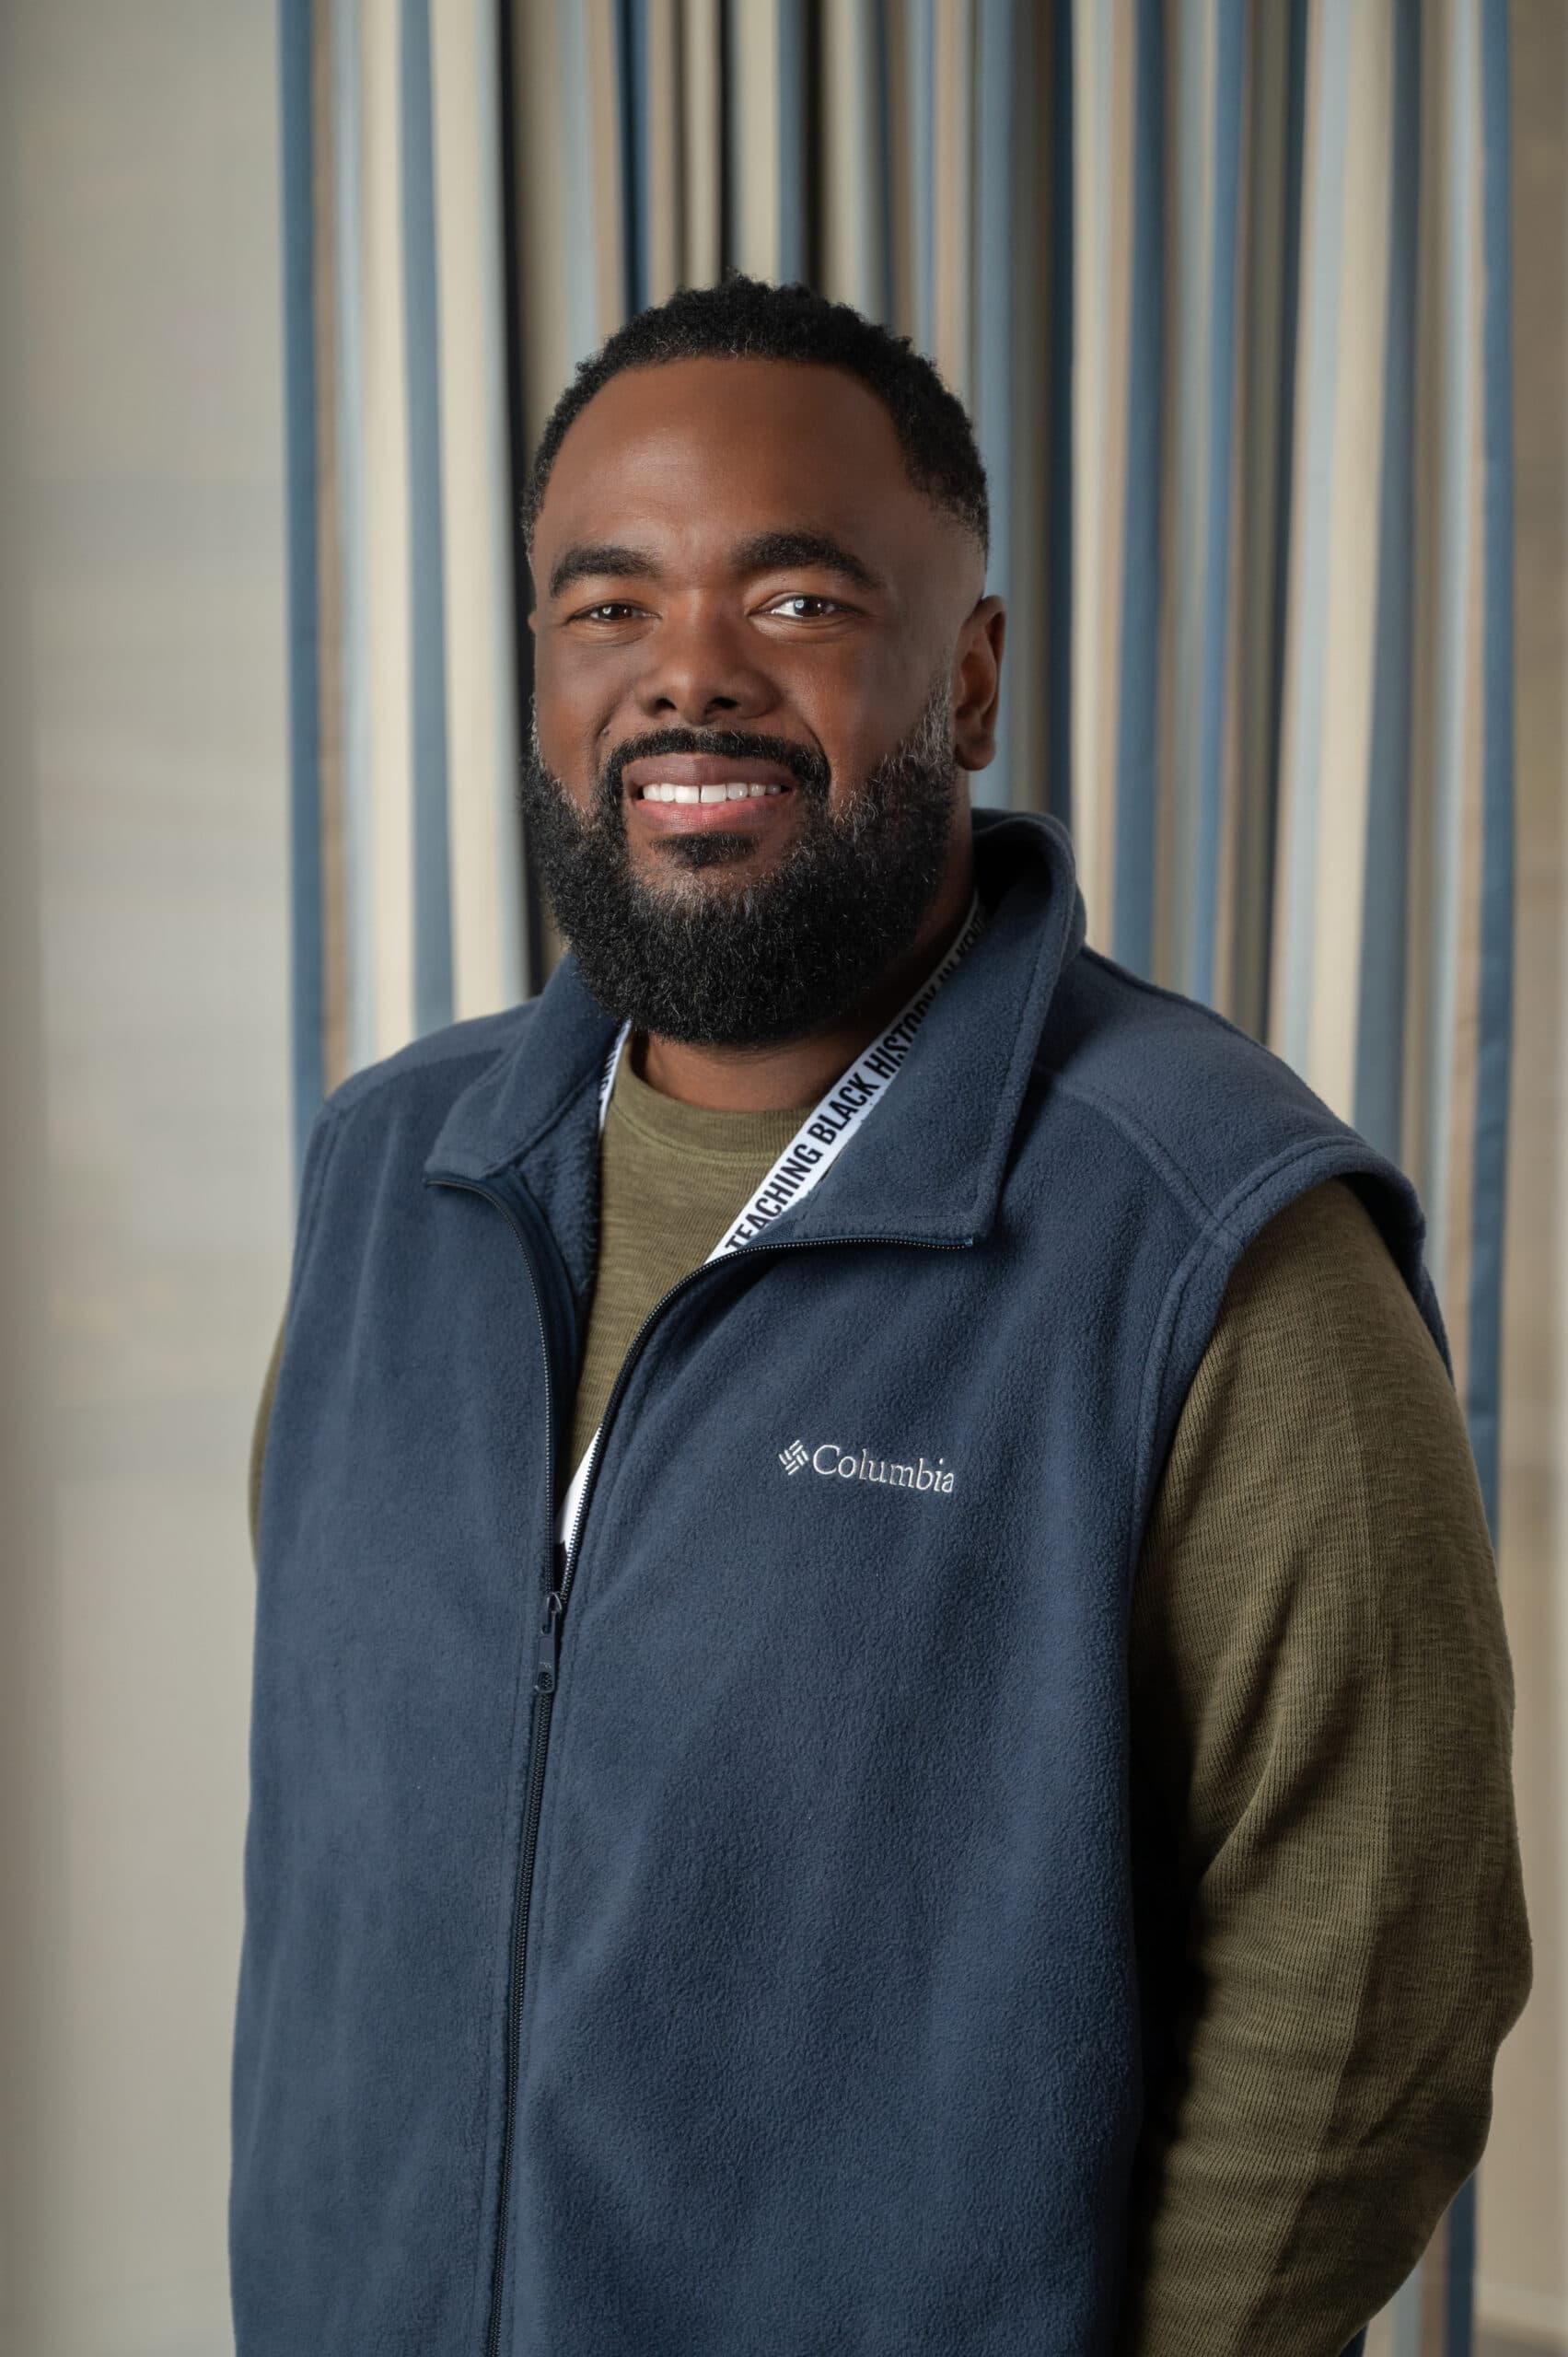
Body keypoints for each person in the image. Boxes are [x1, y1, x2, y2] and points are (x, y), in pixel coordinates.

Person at [230, 273, 1530, 2357]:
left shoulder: (1207, 1237)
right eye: (607, 606)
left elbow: (1381, 1974)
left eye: (801, 601)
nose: (690, 679)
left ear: (975, 669)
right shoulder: (392, 1181)